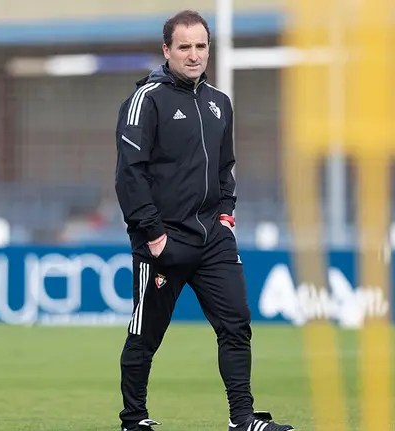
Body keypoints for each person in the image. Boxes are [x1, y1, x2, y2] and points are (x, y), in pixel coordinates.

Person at [113, 10, 294, 431]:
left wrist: (226, 217)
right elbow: (129, 174)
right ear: (166, 50)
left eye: (201, 46)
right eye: (184, 47)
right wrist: (154, 236)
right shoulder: (146, 100)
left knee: (237, 324)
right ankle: (134, 419)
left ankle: (243, 419)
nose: (194, 55)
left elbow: (226, 169)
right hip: (164, 241)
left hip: (214, 240)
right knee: (145, 334)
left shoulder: (219, 103)